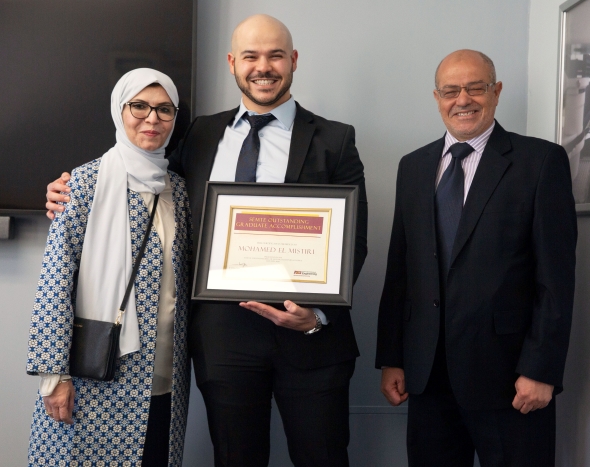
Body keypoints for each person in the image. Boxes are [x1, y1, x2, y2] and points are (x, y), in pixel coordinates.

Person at [45, 14, 367, 467]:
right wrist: (64, 187)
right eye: (251, 56)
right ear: (233, 63)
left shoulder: (335, 139)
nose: (264, 66)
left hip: (310, 340)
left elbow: (354, 240)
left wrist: (315, 315)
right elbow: (139, 162)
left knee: (324, 459)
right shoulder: (198, 134)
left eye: (276, 55)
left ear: (293, 61)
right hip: (223, 339)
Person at [375, 50, 577, 466]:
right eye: (451, 90)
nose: (462, 99)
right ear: (437, 97)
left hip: (509, 378)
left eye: (475, 87)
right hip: (427, 376)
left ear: (496, 91)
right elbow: (401, 271)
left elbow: (556, 279)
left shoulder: (539, 162)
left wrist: (540, 369)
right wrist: (392, 359)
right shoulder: (412, 167)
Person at [27, 68, 191, 467]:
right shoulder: (82, 184)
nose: (152, 119)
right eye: (139, 106)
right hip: (94, 379)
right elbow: (55, 284)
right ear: (120, 110)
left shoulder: (179, 190)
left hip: (166, 378)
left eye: (164, 109)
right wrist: (54, 377)